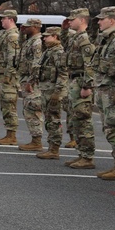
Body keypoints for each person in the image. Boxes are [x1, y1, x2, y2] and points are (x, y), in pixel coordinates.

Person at [89, 6, 115, 181]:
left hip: (112, 90)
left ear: (112, 20)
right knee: (109, 128)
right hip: (104, 89)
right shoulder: (106, 40)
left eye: (101, 19)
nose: (98, 22)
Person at [63, 8, 97, 169]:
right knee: (76, 119)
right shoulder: (75, 37)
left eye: (73, 19)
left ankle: (88, 157)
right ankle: (82, 154)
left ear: (82, 20)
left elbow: (89, 64)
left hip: (80, 81)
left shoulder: (84, 39)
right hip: (74, 80)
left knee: (83, 120)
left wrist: (87, 86)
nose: (70, 21)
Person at [34, 26, 68, 160]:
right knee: (49, 119)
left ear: (55, 37)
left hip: (53, 90)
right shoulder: (48, 51)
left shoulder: (58, 52)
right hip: (46, 88)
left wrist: (57, 93)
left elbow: (63, 73)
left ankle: (54, 149)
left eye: (47, 36)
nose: (44, 38)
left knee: (53, 119)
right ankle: (51, 147)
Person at [0, 10, 21, 146]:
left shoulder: (13, 35)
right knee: (4, 105)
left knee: (9, 105)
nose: (1, 21)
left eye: (3, 19)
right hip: (1, 74)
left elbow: (12, 58)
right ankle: (8, 133)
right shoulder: (4, 33)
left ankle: (12, 135)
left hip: (7, 76)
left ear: (11, 19)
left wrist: (9, 76)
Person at [17, 18, 45, 151]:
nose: (25, 28)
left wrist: (31, 81)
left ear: (35, 27)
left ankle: (37, 140)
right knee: (28, 109)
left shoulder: (37, 42)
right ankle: (34, 139)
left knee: (33, 109)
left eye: (28, 27)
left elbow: (36, 63)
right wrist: (22, 33)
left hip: (32, 81)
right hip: (25, 77)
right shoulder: (29, 41)